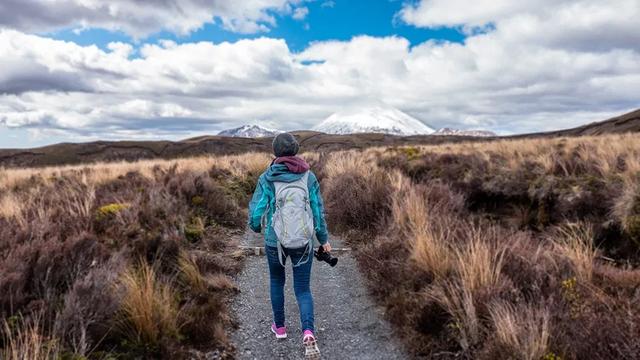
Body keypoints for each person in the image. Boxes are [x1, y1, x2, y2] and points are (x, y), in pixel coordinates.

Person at [248, 132, 331, 359]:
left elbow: (257, 209)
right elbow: (317, 212)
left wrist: (255, 227)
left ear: (275, 152)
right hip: (303, 241)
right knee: (303, 289)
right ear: (295, 150)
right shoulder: (309, 177)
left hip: (275, 240)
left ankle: (280, 328)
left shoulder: (267, 177)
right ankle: (307, 332)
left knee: (277, 281)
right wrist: (323, 239)